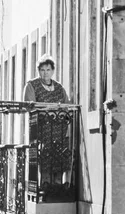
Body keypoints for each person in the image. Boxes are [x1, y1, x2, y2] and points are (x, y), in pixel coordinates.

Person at [22, 55, 71, 195]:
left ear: (53, 71)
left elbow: (66, 106)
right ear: (39, 71)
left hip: (59, 129)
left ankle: (57, 187)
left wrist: (61, 111)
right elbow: (30, 105)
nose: (45, 73)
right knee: (44, 156)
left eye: (48, 70)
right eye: (42, 70)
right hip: (41, 128)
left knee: (59, 156)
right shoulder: (32, 85)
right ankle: (45, 186)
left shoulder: (59, 87)